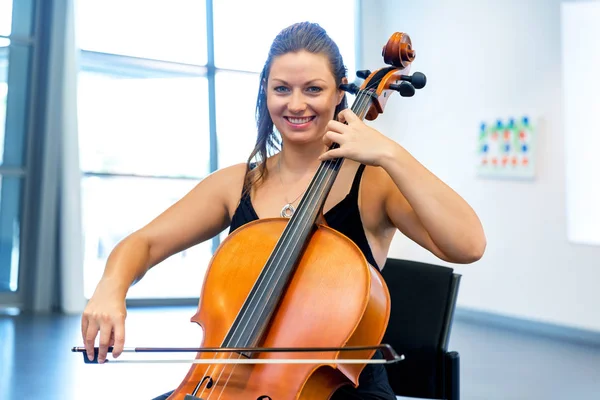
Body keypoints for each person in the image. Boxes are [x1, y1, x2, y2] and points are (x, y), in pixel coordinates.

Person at [81, 22, 486, 400]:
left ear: (338, 93)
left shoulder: (374, 184)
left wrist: (391, 154)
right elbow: (145, 243)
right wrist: (110, 287)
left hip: (338, 390)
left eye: (313, 89)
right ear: (265, 92)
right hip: (226, 377)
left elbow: (467, 245)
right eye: (281, 89)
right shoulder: (238, 184)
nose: (296, 104)